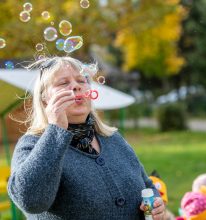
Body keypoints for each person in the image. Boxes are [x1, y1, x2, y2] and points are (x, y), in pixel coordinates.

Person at [7, 56, 165, 220]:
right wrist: (55, 129)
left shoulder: (112, 138)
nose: (75, 86)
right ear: (45, 99)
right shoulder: (31, 145)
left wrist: (155, 204)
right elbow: (30, 201)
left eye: (81, 81)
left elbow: (146, 184)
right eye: (63, 83)